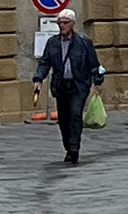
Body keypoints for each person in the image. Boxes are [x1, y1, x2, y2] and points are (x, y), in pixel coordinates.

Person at [42, 9, 102, 165]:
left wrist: (98, 81)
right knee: (63, 119)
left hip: (78, 86)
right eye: (59, 23)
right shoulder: (52, 43)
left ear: (72, 24)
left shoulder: (83, 42)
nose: (62, 26)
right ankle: (68, 145)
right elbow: (45, 62)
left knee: (75, 115)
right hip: (61, 86)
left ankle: (74, 149)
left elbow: (94, 64)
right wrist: (37, 79)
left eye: (65, 23)